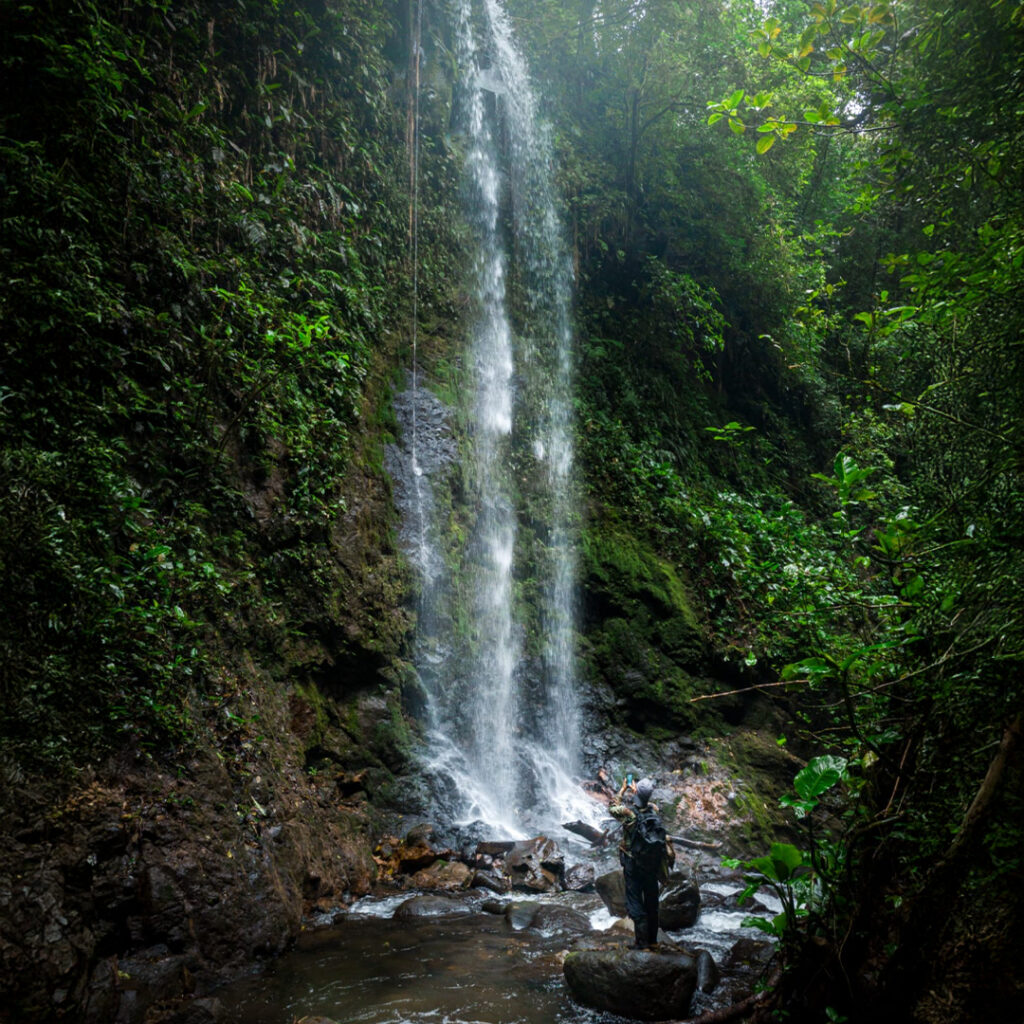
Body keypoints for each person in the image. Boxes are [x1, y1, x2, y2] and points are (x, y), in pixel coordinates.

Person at [610, 776, 674, 948]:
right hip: (652, 865)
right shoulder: (654, 810)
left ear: (636, 792)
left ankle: (641, 943)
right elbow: (645, 804)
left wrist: (624, 790)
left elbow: (612, 807)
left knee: (635, 903)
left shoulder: (629, 815)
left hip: (633, 864)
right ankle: (653, 941)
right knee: (652, 902)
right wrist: (638, 792)